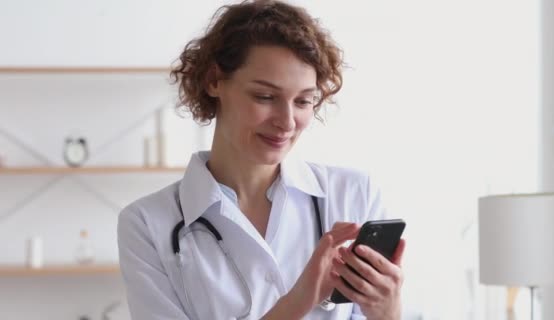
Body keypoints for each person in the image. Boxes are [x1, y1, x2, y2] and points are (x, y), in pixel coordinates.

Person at [117, 1, 405, 319]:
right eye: (265, 97)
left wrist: (387, 310)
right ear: (214, 80)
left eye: (303, 101)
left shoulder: (353, 194)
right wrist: (298, 300)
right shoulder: (146, 224)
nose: (287, 121)